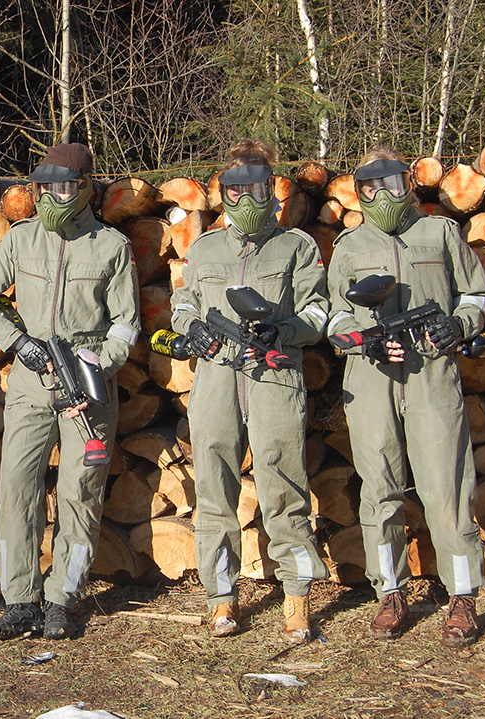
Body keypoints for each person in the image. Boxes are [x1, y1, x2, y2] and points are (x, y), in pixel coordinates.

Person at [0, 143, 140, 640]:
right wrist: (19, 342)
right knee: (17, 486)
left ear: (84, 188)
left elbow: (126, 326)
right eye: (43, 187)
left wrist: (97, 369)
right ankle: (19, 599)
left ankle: (63, 596)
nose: (51, 196)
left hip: (89, 387)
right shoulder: (21, 240)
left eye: (62, 186)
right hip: (30, 382)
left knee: (80, 493)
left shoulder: (111, 246)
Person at [326, 147, 485, 646]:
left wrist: (456, 326)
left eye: (401, 182)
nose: (394, 193)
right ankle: (390, 591)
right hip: (371, 379)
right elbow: (334, 316)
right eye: (382, 185)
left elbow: (475, 296)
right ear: (364, 191)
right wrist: (363, 337)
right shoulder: (349, 245)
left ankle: (462, 594)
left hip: (432, 375)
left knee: (446, 486)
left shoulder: (440, 232)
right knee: (379, 489)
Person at [170, 139, 329, 643]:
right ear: (224, 195)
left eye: (256, 187)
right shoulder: (205, 247)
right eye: (235, 190)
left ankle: (297, 598)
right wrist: (192, 329)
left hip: (275, 376)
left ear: (271, 189)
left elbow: (320, 313)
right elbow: (182, 306)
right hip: (216, 378)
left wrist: (283, 330)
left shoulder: (297, 247)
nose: (245, 198)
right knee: (214, 490)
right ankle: (221, 600)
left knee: (284, 486)